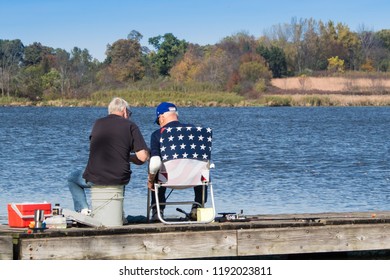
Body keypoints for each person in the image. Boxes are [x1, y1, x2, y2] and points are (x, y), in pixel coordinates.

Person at [68, 97, 149, 216]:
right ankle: (119, 213)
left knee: (72, 178)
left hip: (95, 178)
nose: (129, 116)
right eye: (129, 113)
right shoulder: (130, 125)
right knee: (121, 172)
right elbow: (142, 157)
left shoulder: (98, 123)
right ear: (125, 111)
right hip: (119, 179)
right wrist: (129, 157)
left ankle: (84, 210)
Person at [147, 102, 206, 221]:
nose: (159, 124)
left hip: (168, 179)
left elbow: (155, 161)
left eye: (158, 121)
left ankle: (158, 211)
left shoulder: (157, 135)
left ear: (161, 117)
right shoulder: (194, 130)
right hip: (193, 178)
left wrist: (150, 179)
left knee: (156, 168)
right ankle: (197, 208)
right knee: (202, 167)